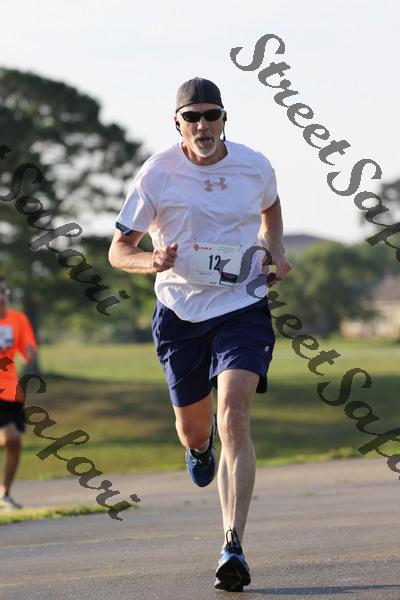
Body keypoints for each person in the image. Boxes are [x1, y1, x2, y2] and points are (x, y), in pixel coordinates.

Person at [109, 77, 292, 592]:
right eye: (192, 117)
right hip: (180, 313)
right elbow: (118, 250)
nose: (203, 125)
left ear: (224, 118)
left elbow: (271, 206)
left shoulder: (254, 165)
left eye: (211, 115)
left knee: (234, 414)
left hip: (241, 305)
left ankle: (233, 544)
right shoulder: (157, 173)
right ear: (178, 123)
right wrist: (151, 261)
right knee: (196, 429)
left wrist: (276, 249)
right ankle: (198, 447)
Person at [0, 277, 37, 511]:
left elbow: (27, 351)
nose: (1, 296)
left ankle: (4, 494)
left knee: (14, 445)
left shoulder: (18, 319)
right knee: (11, 437)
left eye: (3, 291)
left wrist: (30, 351)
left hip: (12, 392)